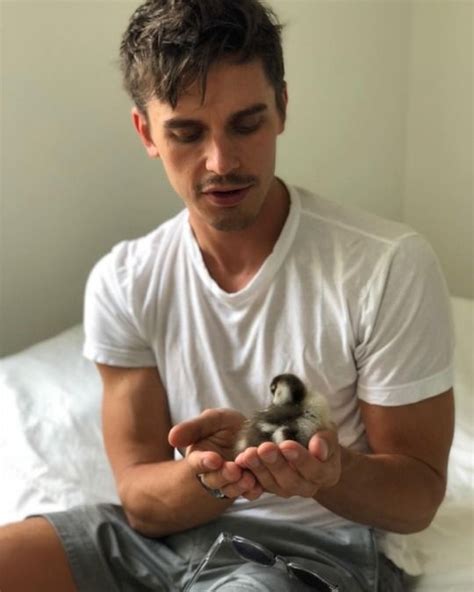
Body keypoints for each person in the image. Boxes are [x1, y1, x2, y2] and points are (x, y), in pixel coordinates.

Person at [0, 0, 455, 590]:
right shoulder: (125, 279)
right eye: (186, 133)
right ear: (147, 133)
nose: (222, 161)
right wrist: (218, 476)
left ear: (282, 107)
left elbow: (417, 498)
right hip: (163, 541)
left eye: (246, 124)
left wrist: (326, 472)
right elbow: (139, 497)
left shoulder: (385, 265)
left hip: (313, 550)